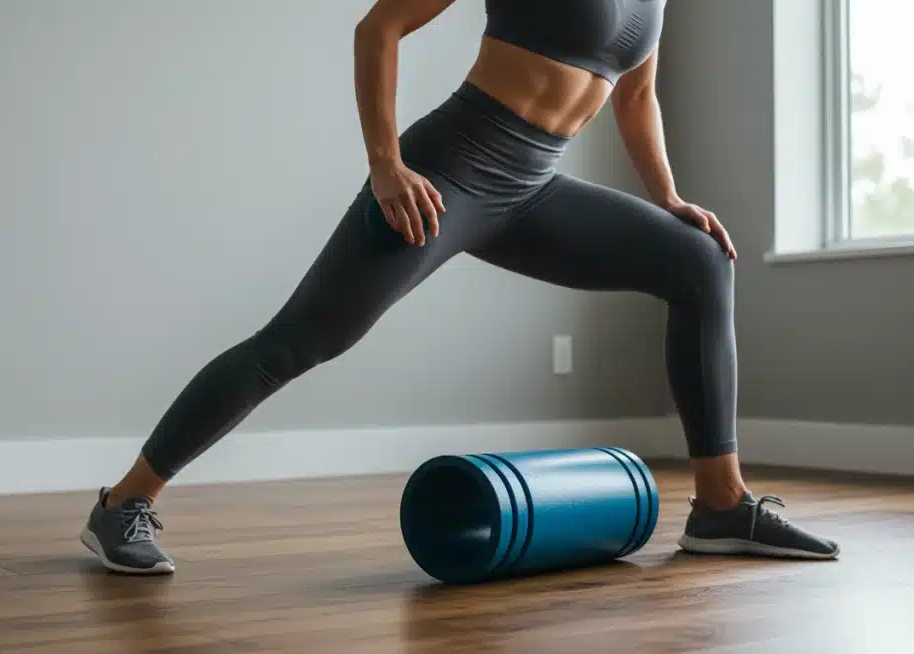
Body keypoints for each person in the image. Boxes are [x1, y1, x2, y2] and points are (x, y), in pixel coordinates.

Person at [79, 0, 840, 575]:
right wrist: (386, 164)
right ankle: (124, 503)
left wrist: (670, 199)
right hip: (448, 173)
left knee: (699, 259)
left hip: (535, 186)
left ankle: (719, 506)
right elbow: (378, 27)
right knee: (301, 341)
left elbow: (637, 97)